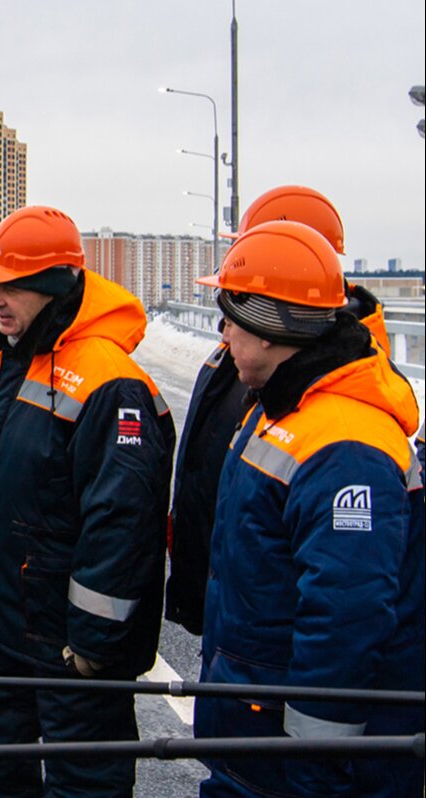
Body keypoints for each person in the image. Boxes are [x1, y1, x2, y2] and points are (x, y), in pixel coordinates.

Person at [194, 220, 423, 796]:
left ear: (269, 326)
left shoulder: (346, 445)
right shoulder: (281, 405)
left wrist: (315, 761)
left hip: (296, 759)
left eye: (232, 315)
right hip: (254, 727)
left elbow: (347, 618)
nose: (222, 332)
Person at [0, 205, 174, 796]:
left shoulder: (109, 381)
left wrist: (93, 646)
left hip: (71, 649)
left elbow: (123, 523)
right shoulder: (5, 361)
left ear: (53, 288)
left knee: (85, 784)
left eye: (11, 285)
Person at [166, 185, 392, 634]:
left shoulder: (338, 392)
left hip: (267, 634)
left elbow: (345, 599)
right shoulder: (241, 352)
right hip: (231, 603)